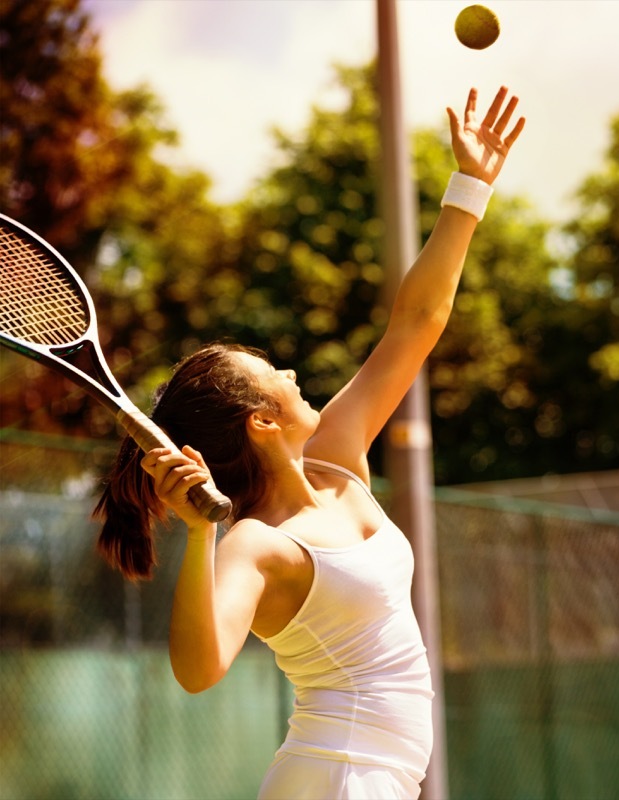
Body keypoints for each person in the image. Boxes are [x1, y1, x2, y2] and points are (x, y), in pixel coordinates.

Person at [93, 86, 525, 800]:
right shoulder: (256, 545)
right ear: (262, 421)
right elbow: (199, 671)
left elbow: (416, 321)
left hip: (370, 779)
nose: (293, 373)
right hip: (338, 780)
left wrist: (470, 183)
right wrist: (201, 537)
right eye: (276, 375)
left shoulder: (338, 462)